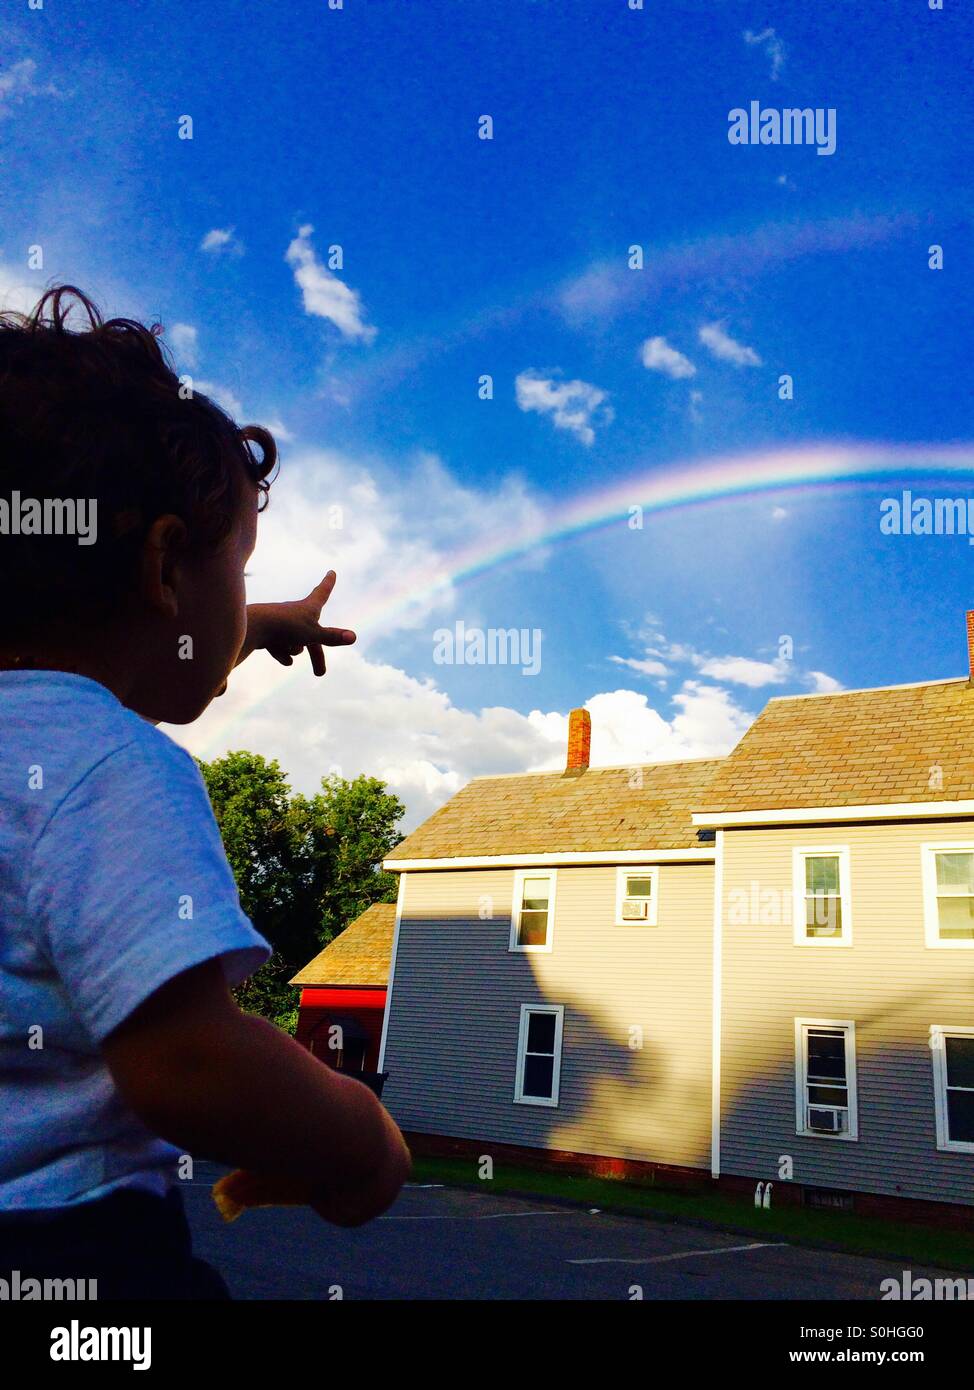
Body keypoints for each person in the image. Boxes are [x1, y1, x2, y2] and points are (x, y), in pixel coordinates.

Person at [0, 285, 411, 1299]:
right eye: (241, 566)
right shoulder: (112, 766)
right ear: (164, 564)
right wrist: (357, 1138)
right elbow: (183, 1057)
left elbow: (156, 633)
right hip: (71, 1252)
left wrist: (250, 620)